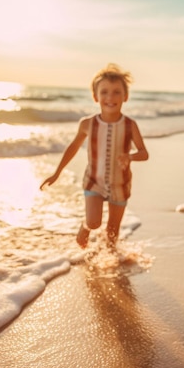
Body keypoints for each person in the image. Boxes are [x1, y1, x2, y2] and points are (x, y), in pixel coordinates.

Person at [40, 63, 149, 248]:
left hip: (120, 183)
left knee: (113, 231)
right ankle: (84, 226)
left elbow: (144, 153)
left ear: (126, 96)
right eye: (104, 92)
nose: (110, 97)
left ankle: (109, 263)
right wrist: (57, 172)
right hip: (94, 181)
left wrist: (129, 157)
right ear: (95, 96)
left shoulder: (130, 125)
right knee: (94, 222)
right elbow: (73, 147)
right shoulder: (87, 124)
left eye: (116, 92)